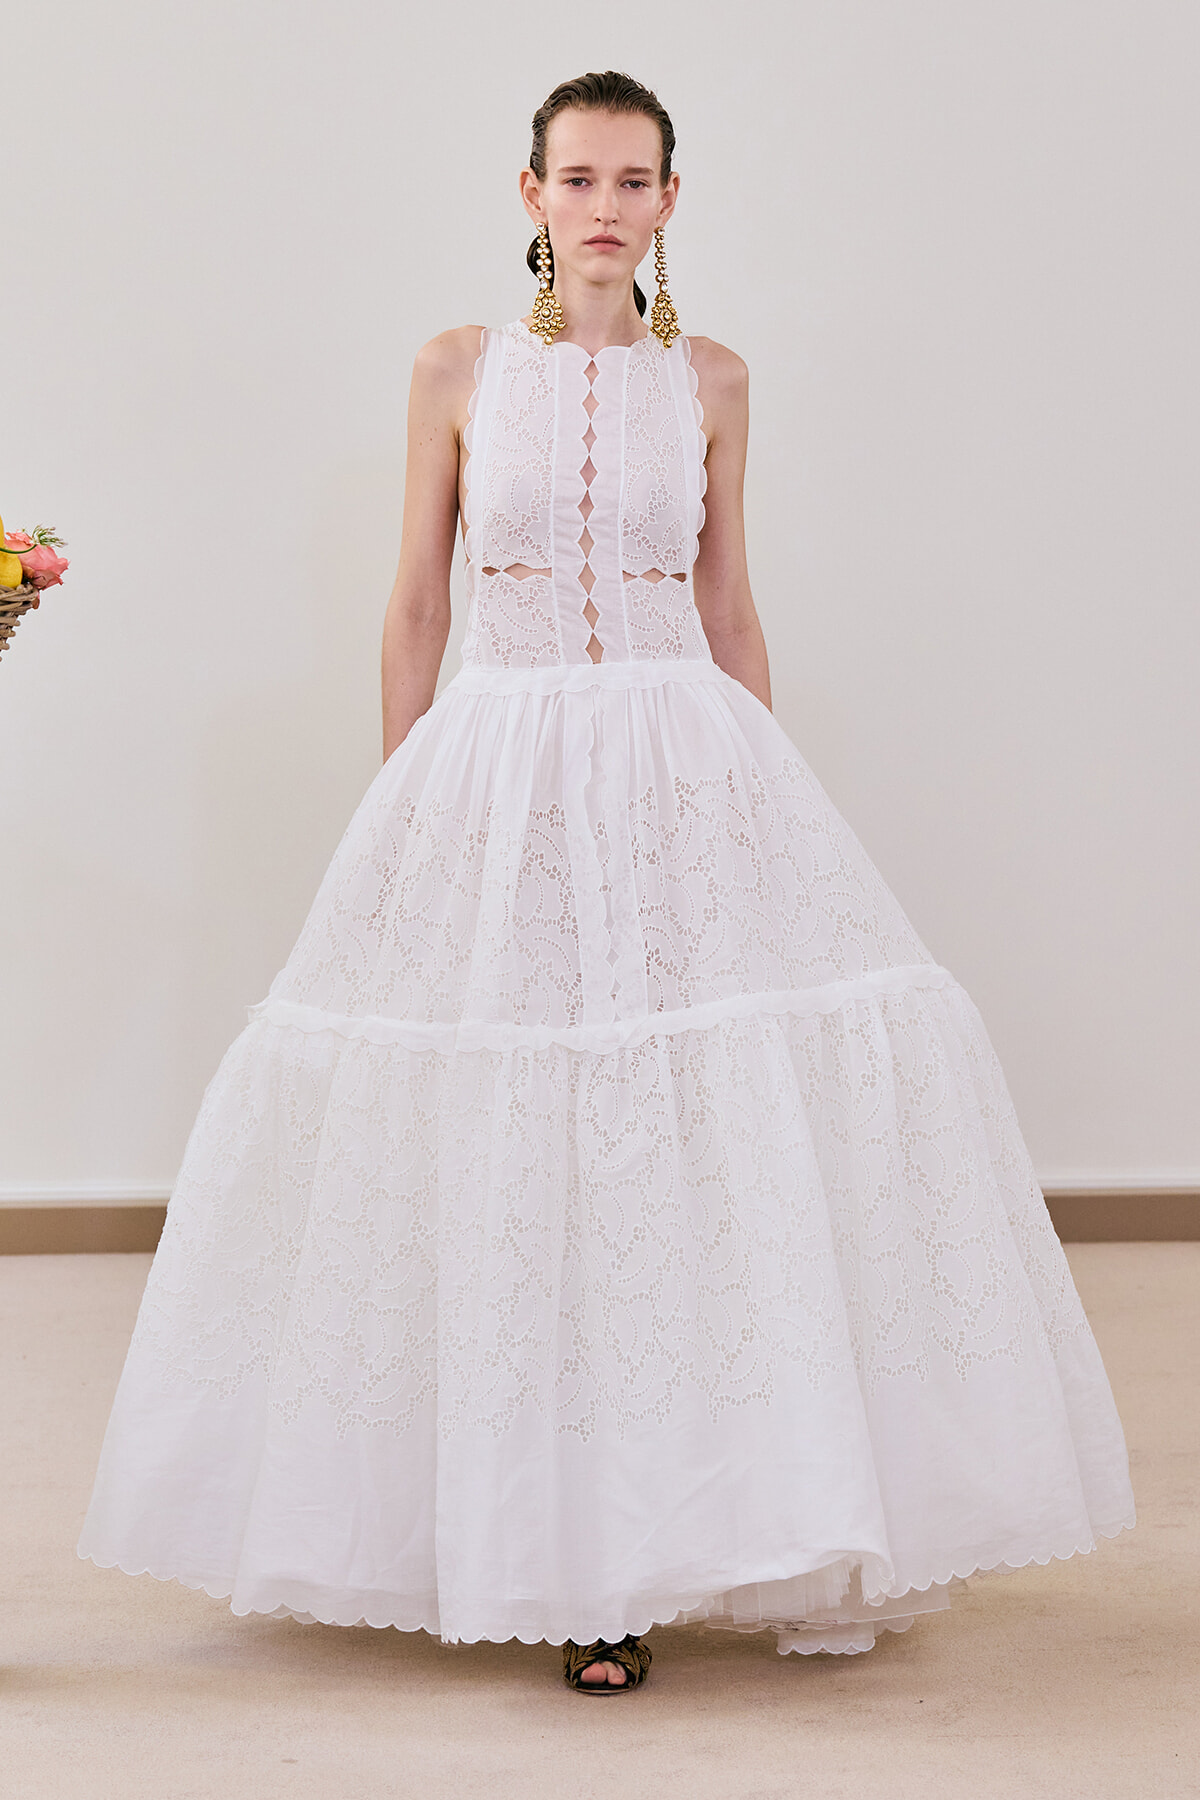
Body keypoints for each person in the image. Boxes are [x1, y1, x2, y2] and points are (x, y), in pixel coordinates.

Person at [79, 70, 1135, 1695]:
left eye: (633, 180)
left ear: (668, 200)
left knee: (684, 1144)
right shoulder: (454, 370)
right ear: (528, 195)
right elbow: (417, 599)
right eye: (576, 177)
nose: (603, 205)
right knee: (518, 1140)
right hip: (492, 769)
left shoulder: (711, 380)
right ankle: (534, 1543)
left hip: (679, 768)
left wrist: (771, 807)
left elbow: (727, 595)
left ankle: (662, 1537)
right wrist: (406, 792)